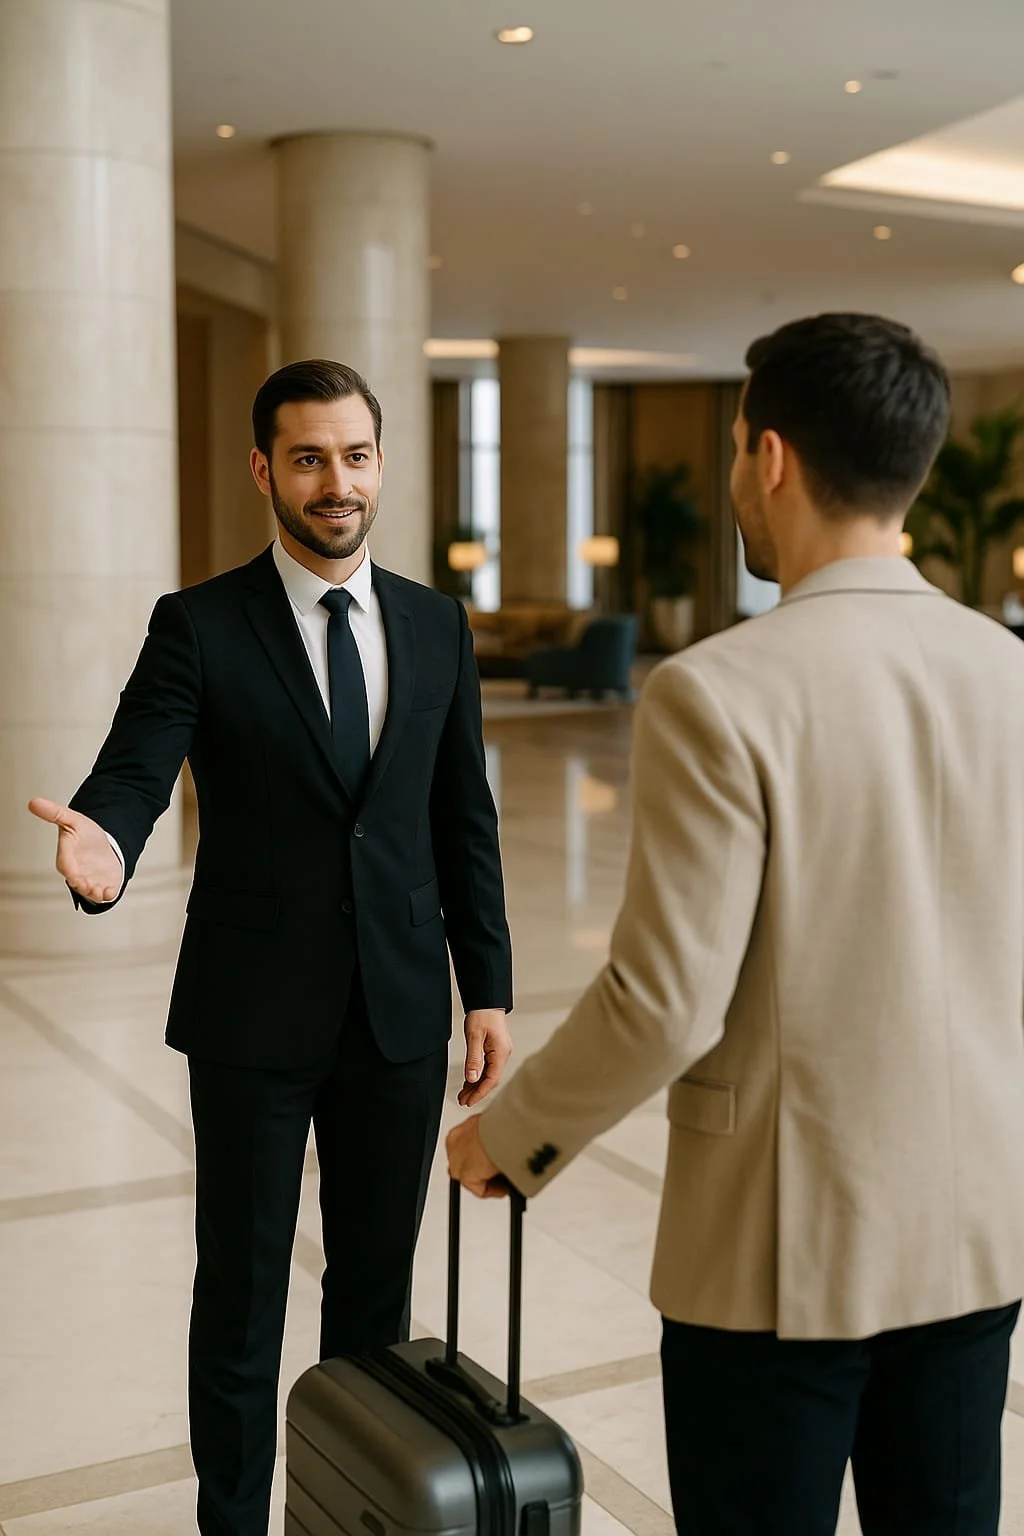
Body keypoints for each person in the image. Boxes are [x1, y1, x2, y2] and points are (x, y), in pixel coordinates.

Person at [448, 313, 1024, 1535]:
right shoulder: (1005, 672)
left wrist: (513, 1133)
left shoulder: (719, 690)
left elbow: (664, 1000)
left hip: (779, 1258)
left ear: (767, 458)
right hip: (975, 1229)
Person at [29, 359, 513, 1536]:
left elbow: (463, 818)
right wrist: (110, 841)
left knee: (373, 1297)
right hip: (253, 1015)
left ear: (380, 463)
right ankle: (234, 1521)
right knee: (241, 1293)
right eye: (307, 457)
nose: (334, 481)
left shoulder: (437, 624)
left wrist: (486, 987)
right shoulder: (199, 623)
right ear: (265, 469)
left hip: (398, 1012)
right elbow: (142, 757)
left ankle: (353, 1509)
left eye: (354, 455)